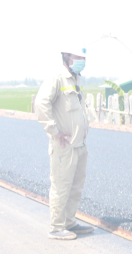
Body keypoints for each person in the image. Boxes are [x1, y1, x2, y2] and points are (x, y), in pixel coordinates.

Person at [35, 45, 94, 241]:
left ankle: (69, 222)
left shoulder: (75, 78)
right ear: (66, 56)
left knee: (76, 186)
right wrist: (54, 131)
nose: (82, 61)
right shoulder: (57, 77)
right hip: (64, 146)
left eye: (83, 58)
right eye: (78, 57)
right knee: (61, 186)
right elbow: (41, 103)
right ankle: (57, 227)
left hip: (79, 144)